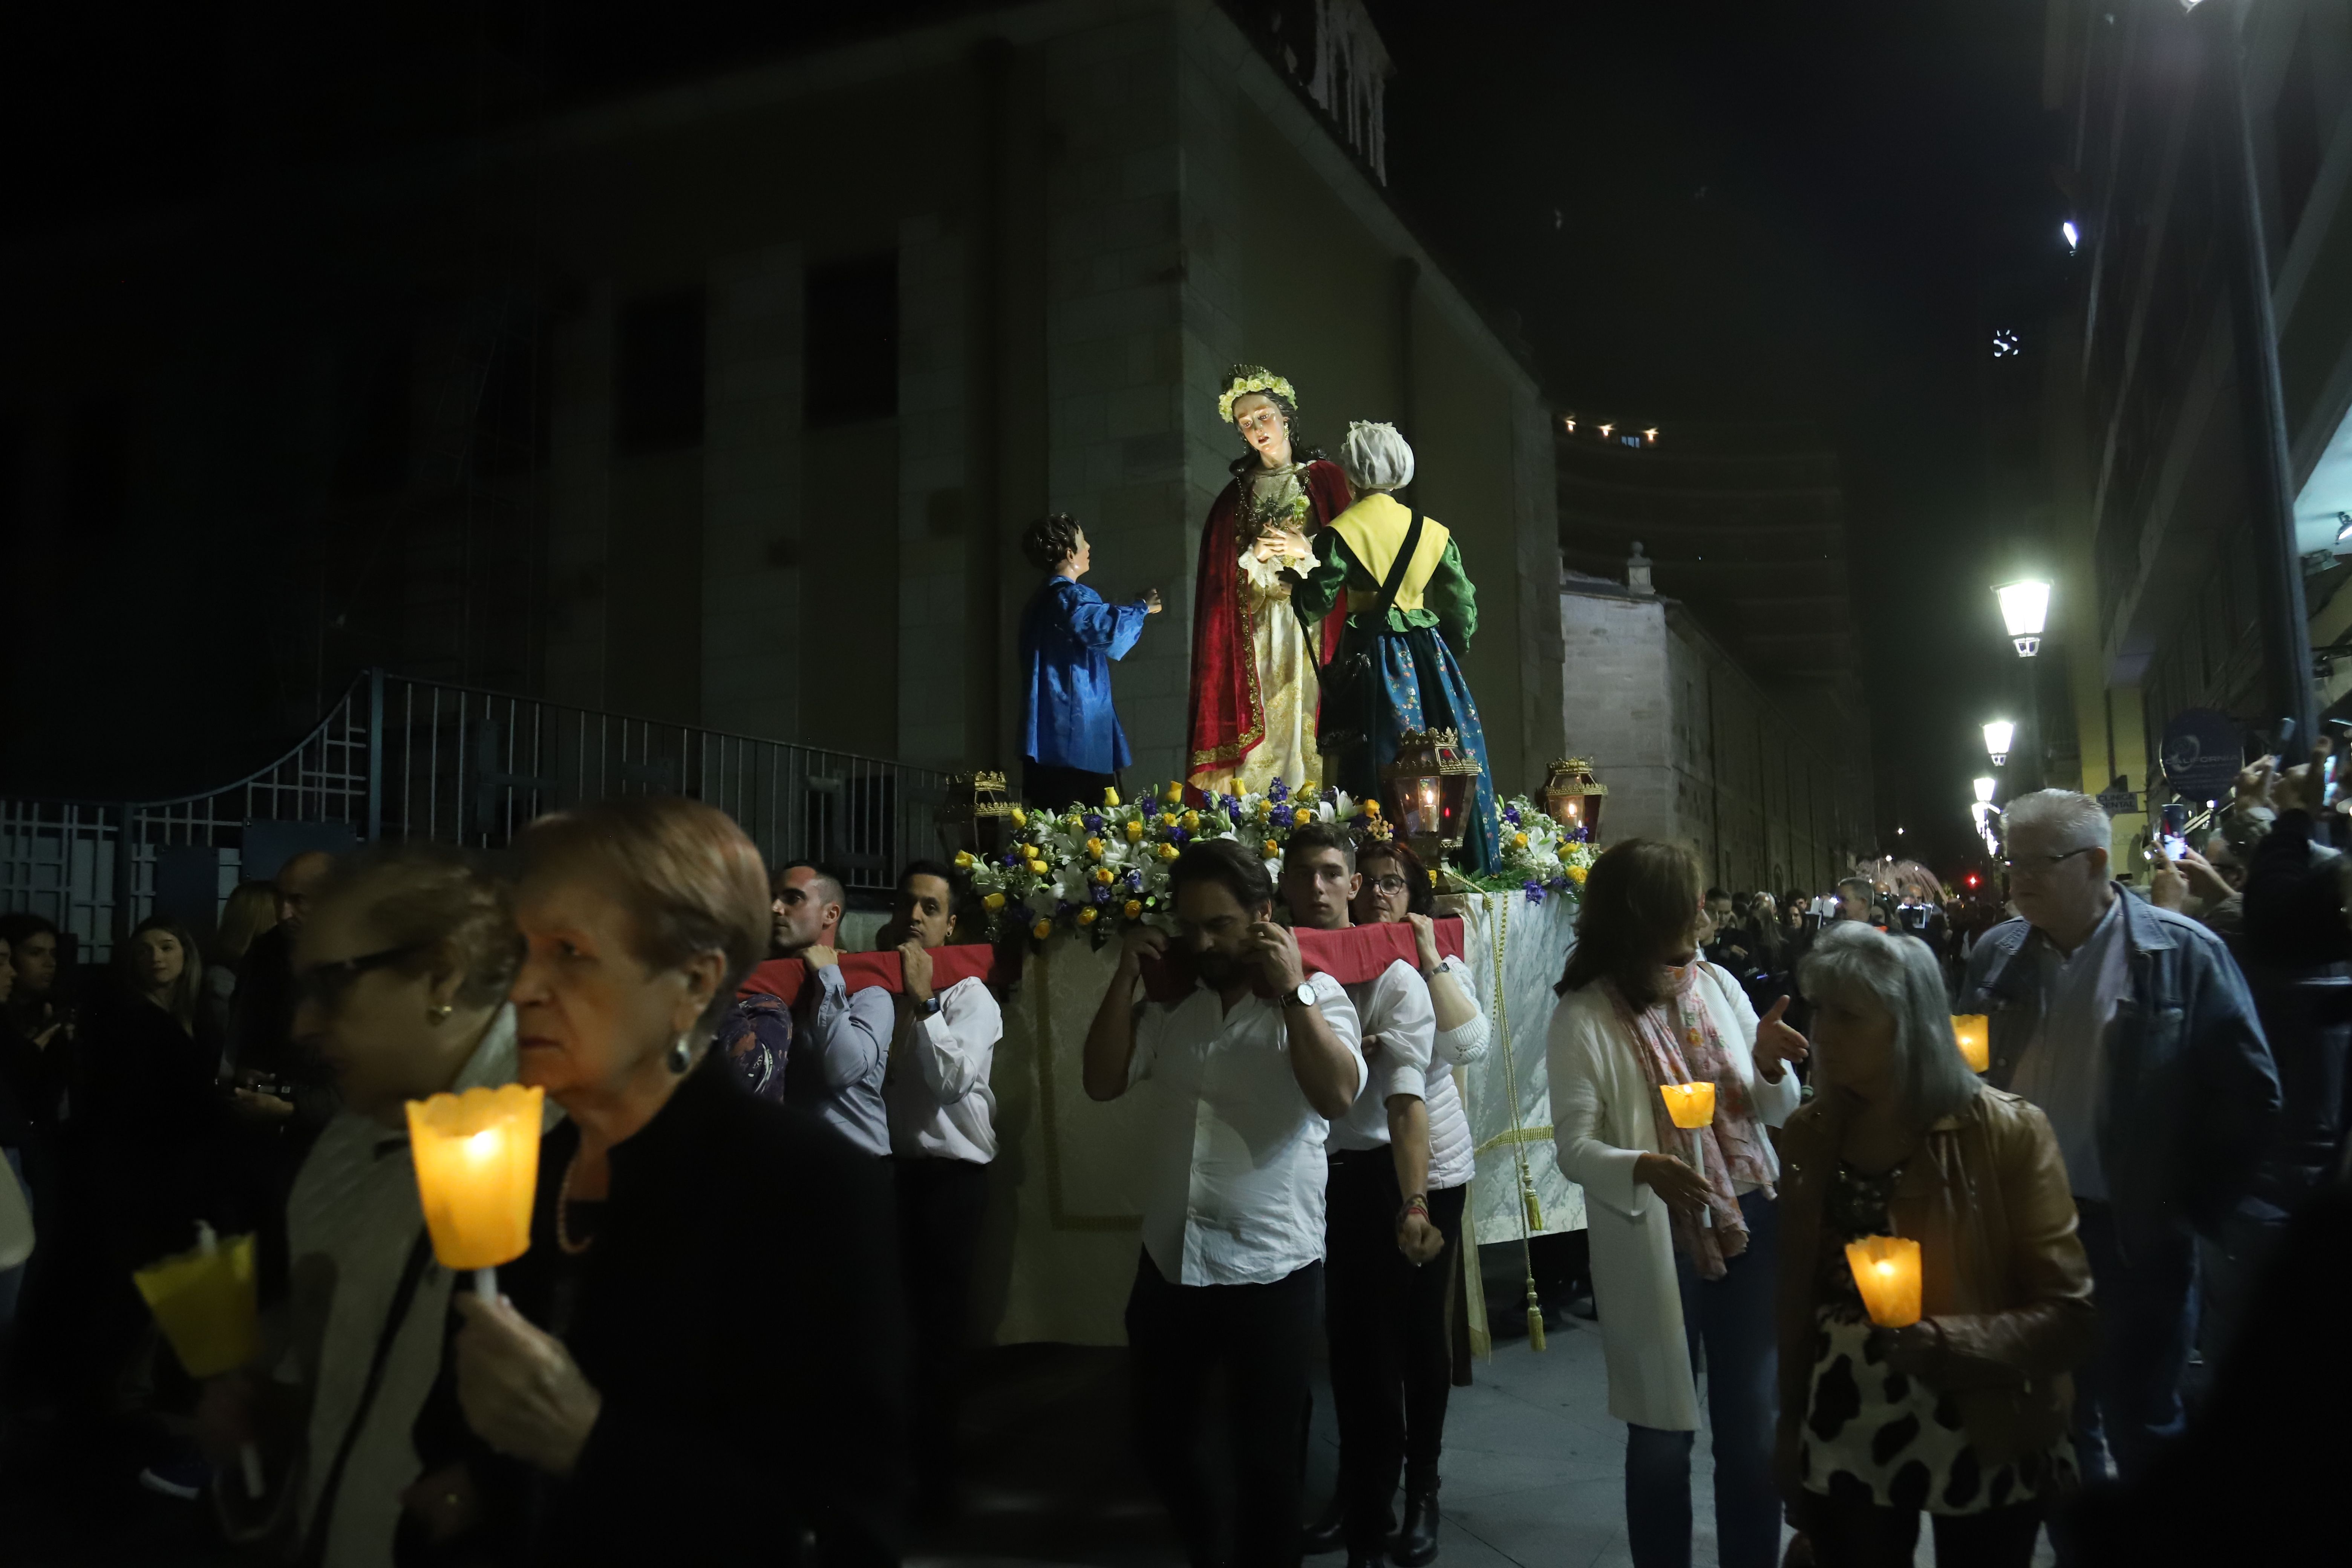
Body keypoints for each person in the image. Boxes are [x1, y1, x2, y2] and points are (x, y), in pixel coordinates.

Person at [449, 795, 903, 1564]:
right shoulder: (522, 1167)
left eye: (569, 953)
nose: (522, 990)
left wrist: (588, 1443)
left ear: (694, 982)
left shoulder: (800, 1188)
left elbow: (843, 1530)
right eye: (518, 952)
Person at [199, 843, 526, 1565]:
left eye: (332, 987)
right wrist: (274, 1413)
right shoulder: (347, 1144)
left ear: (440, 973)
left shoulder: (566, 1146)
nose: (303, 1026)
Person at [1958, 789, 2276, 1504]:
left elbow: (2252, 1098)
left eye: (2037, 863)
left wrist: (2188, 1207)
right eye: (2012, 863)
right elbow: (1965, 1070)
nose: (2017, 881)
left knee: (2146, 1428)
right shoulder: (1996, 954)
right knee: (2062, 1432)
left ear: (2097, 862)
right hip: (2030, 1234)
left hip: (2135, 1237)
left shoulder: (2180, 954)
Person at [1081, 838, 1364, 1568]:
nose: (1202, 942)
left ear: (1263, 917)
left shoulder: (1319, 996)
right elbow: (1103, 1079)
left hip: (1271, 1273)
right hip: (1171, 1264)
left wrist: (1294, 990)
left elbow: (1335, 1093)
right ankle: (1209, 1546)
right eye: (1190, 926)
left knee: (1267, 1465)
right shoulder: (1178, 1010)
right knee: (1158, 1438)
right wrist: (1123, 980)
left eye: (1220, 925)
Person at [1776, 923, 2093, 1568]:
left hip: (1982, 1415)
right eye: (1819, 1010)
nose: (1823, 1032)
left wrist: (1949, 1342)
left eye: (1849, 1016)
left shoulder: (2006, 1131)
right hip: (1846, 1419)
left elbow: (2070, 1314)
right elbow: (1795, 1307)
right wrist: (1789, 1430)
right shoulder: (1811, 1133)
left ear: (1908, 1026)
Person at [1546, 839, 1807, 1568]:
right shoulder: (1586, 1016)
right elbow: (1573, 1147)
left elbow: (1772, 1111)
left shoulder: (1717, 983)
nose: (1701, 912)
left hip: (1753, 1215)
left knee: (1753, 1429)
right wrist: (1643, 1168)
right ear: (1640, 917)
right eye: (1685, 901)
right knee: (1662, 1437)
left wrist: (1768, 1063)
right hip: (1658, 1235)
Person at [1279, 824, 1437, 1568]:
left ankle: (1373, 1518)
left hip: (1367, 1175)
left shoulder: (1396, 978)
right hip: (1291, 1178)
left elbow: (1407, 1102)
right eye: (1304, 873)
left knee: (1373, 1360)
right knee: (1311, 1356)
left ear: (1354, 886)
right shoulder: (1282, 966)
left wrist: (1413, 1201)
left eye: (1332, 873)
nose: (1317, 887)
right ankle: (1341, 1490)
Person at [1343, 834, 1490, 1567]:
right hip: (1352, 1163)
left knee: (1418, 1337)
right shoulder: (1332, 957)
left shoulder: (1436, 963)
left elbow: (1470, 1044)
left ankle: (1423, 1487)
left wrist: (1429, 955)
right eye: (1366, 881)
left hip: (1431, 1167)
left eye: (1393, 882)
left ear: (1415, 894)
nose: (1376, 893)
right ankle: (1366, 1490)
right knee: (1361, 1342)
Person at [1291, 421, 1498, 872]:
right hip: (1430, 656)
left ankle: (1378, 863)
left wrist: (1296, 578)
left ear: (1352, 474)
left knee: (1377, 752)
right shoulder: (1433, 530)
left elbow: (1314, 603)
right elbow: (1461, 605)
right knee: (1447, 752)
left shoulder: (1340, 532)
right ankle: (1454, 859)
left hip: (1372, 654)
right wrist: (1449, 653)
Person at [881, 858, 1002, 1521]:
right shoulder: (878, 988)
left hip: (952, 1181)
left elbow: (953, 1081)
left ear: (952, 924)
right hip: (892, 1175)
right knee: (893, 1332)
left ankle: (939, 1484)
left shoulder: (970, 997)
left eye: (931, 909)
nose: (915, 918)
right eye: (907, 906)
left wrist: (926, 1000)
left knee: (939, 1336)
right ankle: (893, 1467)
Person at [1187, 365, 1353, 799]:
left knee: (1309, 721)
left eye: (1263, 416)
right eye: (1246, 423)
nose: (1258, 429)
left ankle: (1314, 809)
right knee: (1269, 730)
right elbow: (1220, 585)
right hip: (1259, 631)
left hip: (1313, 626)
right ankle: (1264, 818)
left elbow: (1352, 552)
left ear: (1285, 417)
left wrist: (1306, 547)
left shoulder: (1324, 477)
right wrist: (1254, 557)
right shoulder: (1235, 495)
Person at [1017, 512, 1163, 810]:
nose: (1089, 548)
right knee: (1087, 824)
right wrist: (1142, 608)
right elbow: (1106, 630)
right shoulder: (1069, 596)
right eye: (1084, 543)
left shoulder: (1037, 602)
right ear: (1070, 554)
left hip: (1046, 732)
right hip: (1076, 732)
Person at [774, 860, 893, 1158]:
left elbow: (845, 1070)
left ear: (831, 914)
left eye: (792, 899)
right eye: (773, 898)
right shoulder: (768, 982)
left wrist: (828, 980)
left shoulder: (869, 992)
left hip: (855, 1166)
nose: (775, 908)